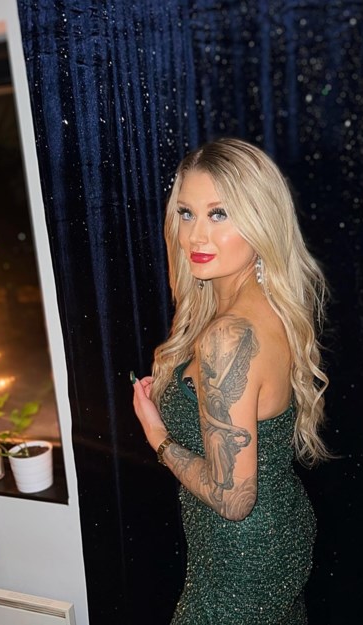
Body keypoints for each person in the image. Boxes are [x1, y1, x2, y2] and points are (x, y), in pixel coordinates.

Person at [132, 137, 330, 624]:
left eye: (219, 214)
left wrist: (157, 436)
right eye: (186, 213)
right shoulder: (265, 304)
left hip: (240, 554)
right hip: (277, 527)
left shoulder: (229, 335)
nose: (196, 236)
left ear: (261, 220)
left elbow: (233, 499)